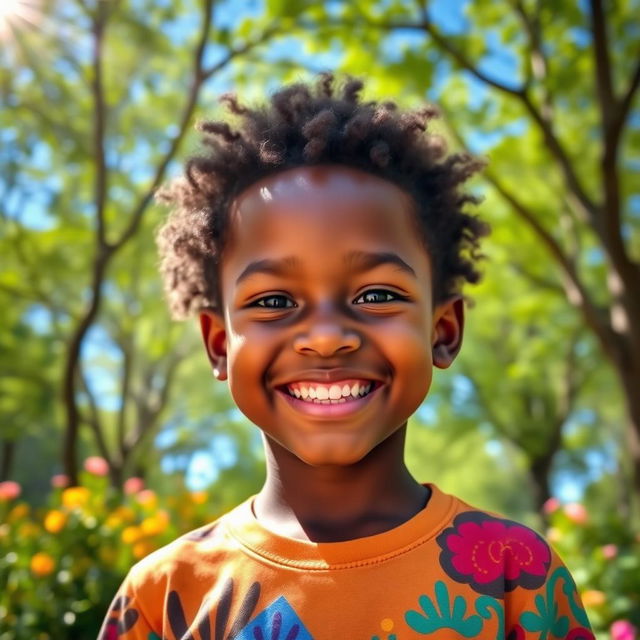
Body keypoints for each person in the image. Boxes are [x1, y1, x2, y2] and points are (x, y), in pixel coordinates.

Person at [99, 74, 593, 640]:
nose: (327, 337)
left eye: (377, 295)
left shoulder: (516, 575)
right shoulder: (163, 594)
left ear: (443, 330)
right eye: (274, 301)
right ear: (219, 345)